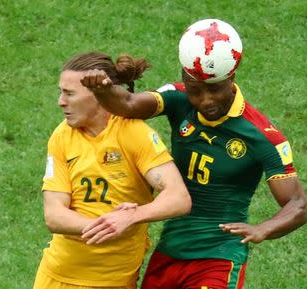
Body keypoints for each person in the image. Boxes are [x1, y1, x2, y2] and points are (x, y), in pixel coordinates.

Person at [80, 19, 307, 289]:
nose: (205, 101)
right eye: (195, 90)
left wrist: (263, 229)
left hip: (218, 257)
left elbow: (297, 205)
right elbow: (128, 104)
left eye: (214, 89)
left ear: (231, 78)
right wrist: (104, 90)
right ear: (184, 78)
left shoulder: (262, 136)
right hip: (171, 251)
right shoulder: (177, 99)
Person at [33, 51, 192, 289]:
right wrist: (109, 223)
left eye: (69, 94)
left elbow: (179, 198)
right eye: (61, 92)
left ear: (97, 95)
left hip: (113, 282)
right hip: (55, 276)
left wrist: (132, 216)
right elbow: (54, 214)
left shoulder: (135, 134)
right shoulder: (62, 135)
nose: (61, 101)